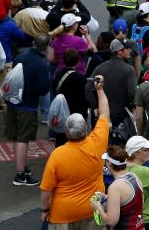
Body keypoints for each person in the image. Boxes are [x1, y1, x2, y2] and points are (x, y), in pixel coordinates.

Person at [40, 74, 111, 228]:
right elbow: (105, 113)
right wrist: (100, 89)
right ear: (86, 128)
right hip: (94, 210)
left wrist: (45, 209)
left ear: (66, 133)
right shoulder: (97, 142)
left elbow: (46, 190)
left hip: (64, 216)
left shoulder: (57, 155)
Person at [7, 34, 51, 186]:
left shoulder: (20, 56)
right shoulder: (41, 63)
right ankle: (20, 175)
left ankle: (21, 166)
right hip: (28, 105)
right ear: (46, 47)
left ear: (33, 43)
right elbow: (44, 89)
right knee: (23, 139)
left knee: (16, 136)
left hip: (13, 101)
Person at [90, 143, 145, 230]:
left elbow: (111, 221)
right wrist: (108, 198)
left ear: (110, 164)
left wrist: (97, 207)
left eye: (106, 162)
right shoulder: (134, 176)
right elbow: (136, 204)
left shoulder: (115, 187)